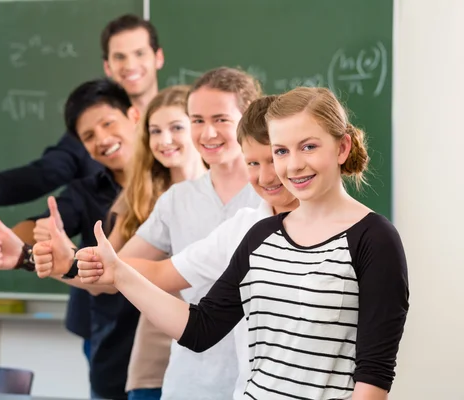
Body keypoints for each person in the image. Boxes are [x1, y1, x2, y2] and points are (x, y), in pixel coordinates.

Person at [75, 86, 410, 400]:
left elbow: (374, 373)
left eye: (308, 146)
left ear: (342, 147)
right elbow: (200, 328)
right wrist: (121, 274)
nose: (293, 164)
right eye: (281, 150)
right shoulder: (260, 234)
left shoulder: (374, 239)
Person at [0, 13, 164, 374]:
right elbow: (47, 188)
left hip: (177, 314)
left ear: (158, 58)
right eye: (119, 57)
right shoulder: (88, 139)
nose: (102, 139)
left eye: (138, 53)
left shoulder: (185, 138)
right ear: (108, 65)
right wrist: (0, 222)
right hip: (108, 322)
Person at [58, 67, 263, 399]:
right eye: (197, 120)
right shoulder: (177, 200)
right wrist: (58, 260)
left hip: (259, 380)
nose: (207, 132)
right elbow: (120, 270)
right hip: (190, 380)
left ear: (249, 116)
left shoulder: (273, 198)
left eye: (220, 119)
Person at [35, 85, 206, 400]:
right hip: (157, 360)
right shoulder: (148, 200)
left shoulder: (237, 191)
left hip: (222, 356)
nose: (165, 140)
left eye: (177, 127)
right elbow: (111, 273)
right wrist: (54, 262)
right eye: (155, 131)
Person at [0, 77, 142, 400]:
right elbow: (46, 225)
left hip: (172, 345)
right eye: (89, 136)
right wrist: (20, 249)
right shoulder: (85, 191)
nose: (103, 139)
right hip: (112, 346)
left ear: (133, 116)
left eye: (109, 123)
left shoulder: (173, 183)